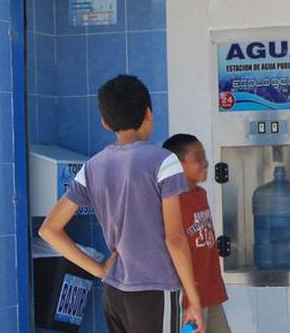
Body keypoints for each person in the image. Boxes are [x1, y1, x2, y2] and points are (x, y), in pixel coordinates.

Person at [39, 74, 205, 333]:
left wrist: (98, 270)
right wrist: (193, 299)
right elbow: (175, 239)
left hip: (114, 292)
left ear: (105, 122)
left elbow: (49, 229)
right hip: (155, 291)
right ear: (148, 113)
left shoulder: (92, 167)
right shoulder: (164, 161)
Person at [162, 134, 230, 333]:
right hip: (187, 301)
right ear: (177, 164)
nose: (206, 162)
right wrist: (190, 297)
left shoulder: (200, 195)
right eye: (198, 157)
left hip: (210, 294)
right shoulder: (172, 202)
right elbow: (173, 247)